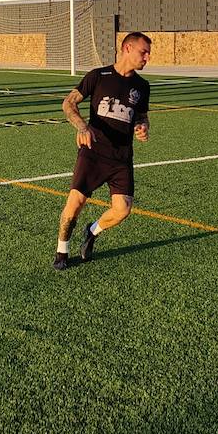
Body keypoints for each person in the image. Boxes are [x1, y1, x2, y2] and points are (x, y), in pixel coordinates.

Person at [53, 32, 152, 271]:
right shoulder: (98, 76)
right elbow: (68, 103)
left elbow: (142, 116)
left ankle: (92, 230)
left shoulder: (142, 86)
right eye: (143, 52)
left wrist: (143, 127)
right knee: (76, 202)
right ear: (127, 48)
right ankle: (62, 250)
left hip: (121, 157)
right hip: (93, 152)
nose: (147, 57)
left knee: (123, 210)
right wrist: (82, 126)